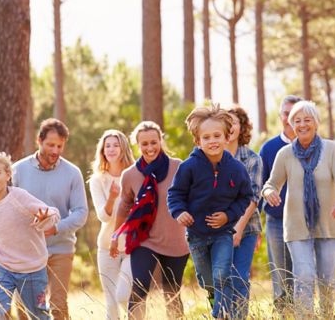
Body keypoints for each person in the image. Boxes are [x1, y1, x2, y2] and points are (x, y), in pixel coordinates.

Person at [262, 101, 335, 317]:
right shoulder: (285, 154)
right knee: (303, 276)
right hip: (296, 226)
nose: (302, 125)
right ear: (291, 124)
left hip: (328, 224)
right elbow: (270, 183)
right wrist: (269, 193)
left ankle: (327, 315)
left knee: (327, 279)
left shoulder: (331, 149)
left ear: (316, 123)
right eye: (297, 121)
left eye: (307, 120)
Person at [168, 104, 253, 320]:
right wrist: (179, 212)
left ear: (227, 137)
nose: (212, 141)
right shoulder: (189, 167)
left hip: (223, 233)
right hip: (196, 234)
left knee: (222, 274)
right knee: (207, 280)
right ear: (198, 141)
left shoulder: (236, 169)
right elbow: (175, 194)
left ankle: (221, 313)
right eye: (206, 137)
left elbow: (246, 197)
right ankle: (217, 299)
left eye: (217, 135)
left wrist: (229, 215)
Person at [110, 121, 189, 320]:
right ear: (137, 144)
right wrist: (115, 236)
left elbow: (191, 197)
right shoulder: (130, 175)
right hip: (144, 239)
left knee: (172, 291)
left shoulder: (177, 166)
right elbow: (124, 206)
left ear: (160, 141)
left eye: (154, 142)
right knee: (140, 286)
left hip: (175, 241)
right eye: (144, 144)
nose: (150, 147)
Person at [0, 149, 60, 320]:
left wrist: (45, 218)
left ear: (8, 174)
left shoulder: (18, 196)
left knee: (38, 315)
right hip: (4, 268)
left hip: (32, 268)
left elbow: (52, 213)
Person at [13, 118, 89, 320]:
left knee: (58, 305)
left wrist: (56, 228)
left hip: (60, 250)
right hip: (26, 251)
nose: (55, 151)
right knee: (25, 308)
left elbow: (81, 212)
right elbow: (9, 208)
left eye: (59, 146)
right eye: (50, 145)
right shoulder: (18, 170)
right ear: (39, 141)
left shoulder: (72, 173)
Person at [258, 95, 301, 311]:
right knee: (281, 276)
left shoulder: (314, 146)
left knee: (305, 274)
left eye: (295, 114)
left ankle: (306, 313)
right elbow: (259, 187)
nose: (290, 118)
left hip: (306, 221)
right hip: (276, 222)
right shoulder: (268, 148)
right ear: (280, 116)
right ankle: (285, 314)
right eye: (286, 113)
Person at [89, 129, 135, 320]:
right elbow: (103, 217)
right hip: (106, 247)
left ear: (123, 148)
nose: (111, 149)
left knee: (124, 296)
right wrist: (112, 198)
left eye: (116, 145)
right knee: (111, 302)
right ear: (102, 150)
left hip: (133, 247)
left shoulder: (135, 175)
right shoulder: (97, 180)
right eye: (107, 145)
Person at [225, 106, 263, 319]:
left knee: (239, 277)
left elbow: (253, 198)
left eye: (234, 123)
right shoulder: (212, 156)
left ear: (242, 128)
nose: (230, 127)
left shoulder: (252, 159)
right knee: (220, 278)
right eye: (226, 123)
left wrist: (238, 229)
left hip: (246, 228)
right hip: (217, 229)